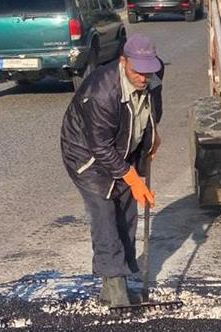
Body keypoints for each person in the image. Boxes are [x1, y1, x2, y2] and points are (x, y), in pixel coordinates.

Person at [60, 34, 163, 307]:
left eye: (148, 70)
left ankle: (114, 284)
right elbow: (100, 146)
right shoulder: (102, 92)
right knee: (105, 216)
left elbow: (152, 109)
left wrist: (153, 136)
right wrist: (131, 177)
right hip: (87, 155)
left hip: (121, 148)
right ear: (123, 61)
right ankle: (117, 291)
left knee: (127, 213)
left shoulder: (154, 73)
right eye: (137, 70)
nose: (144, 77)